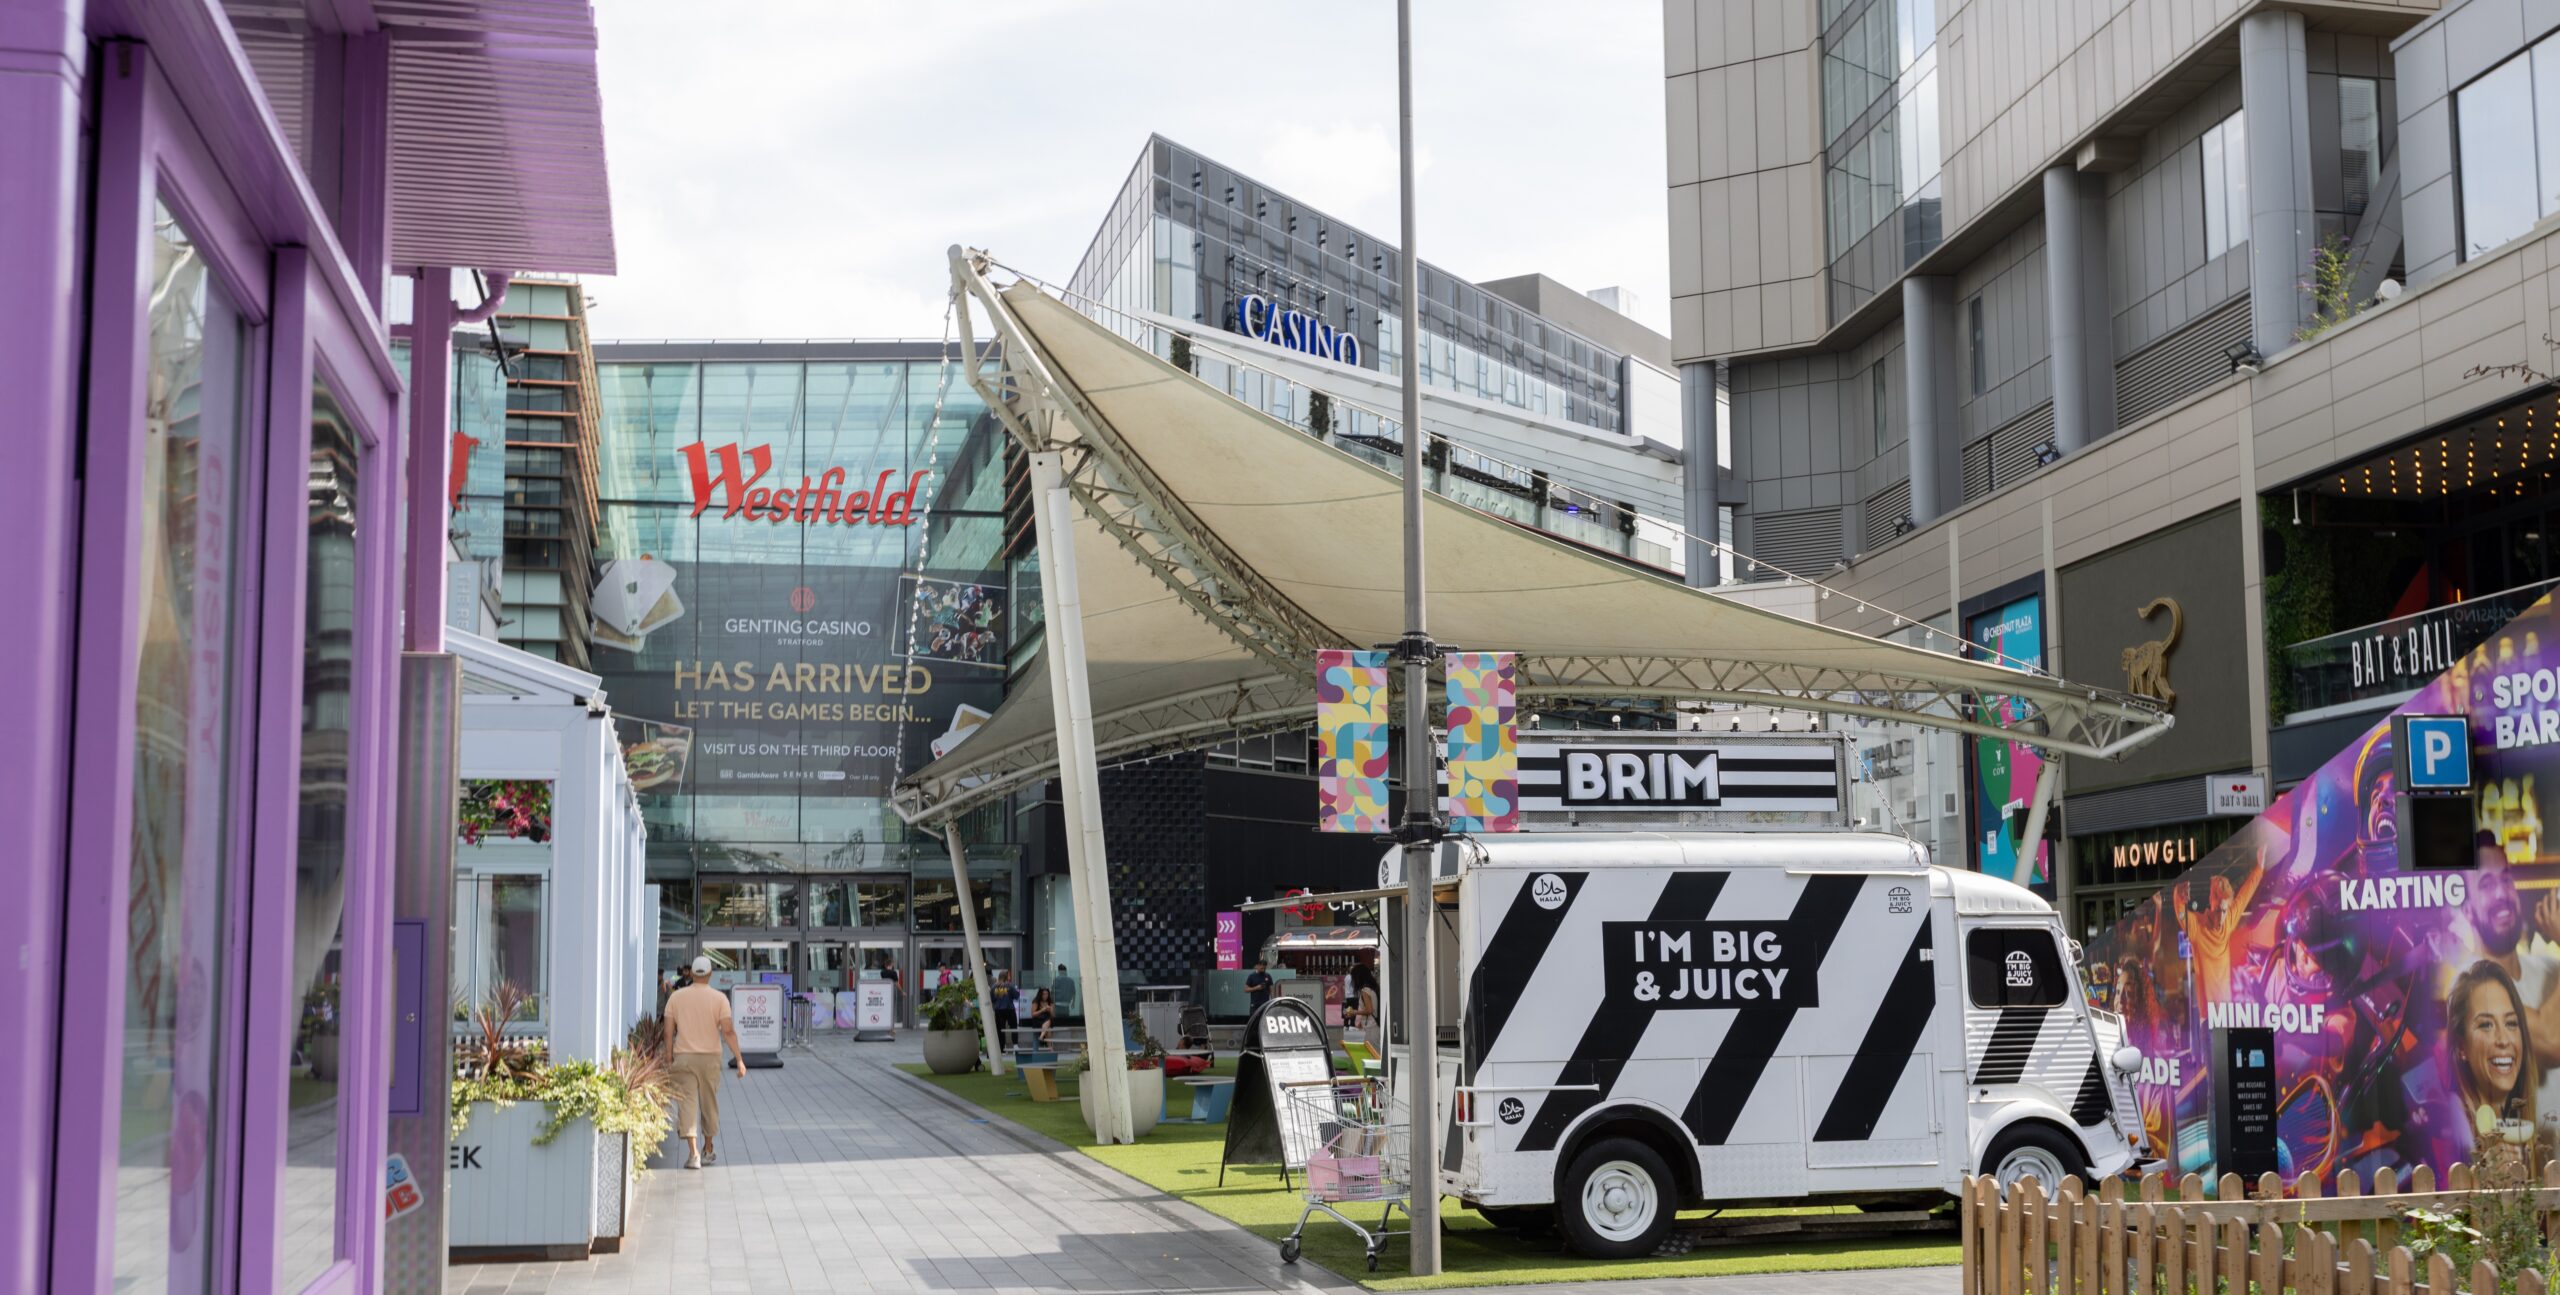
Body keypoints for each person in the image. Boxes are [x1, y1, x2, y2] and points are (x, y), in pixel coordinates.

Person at [2449, 959, 2543, 1169]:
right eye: (2486, 1025)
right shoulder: (2454, 1119)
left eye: (2511, 1023)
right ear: (2462, 1046)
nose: (2503, 1039)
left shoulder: (2519, 1127)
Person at [664, 955, 747, 1170]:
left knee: (687, 1102)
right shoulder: (720, 999)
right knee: (709, 1102)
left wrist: (669, 1058)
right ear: (710, 974)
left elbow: (668, 1032)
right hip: (710, 1057)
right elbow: (728, 1032)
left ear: (691, 974)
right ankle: (708, 1149)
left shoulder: (676, 997)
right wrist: (739, 1059)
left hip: (684, 1057)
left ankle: (693, 1154)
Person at [991, 969, 1020, 1051]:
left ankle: (1002, 1047)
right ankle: (1015, 1045)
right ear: (1006, 977)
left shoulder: (994, 987)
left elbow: (992, 999)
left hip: (998, 1010)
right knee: (1013, 1026)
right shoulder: (1010, 986)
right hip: (1009, 1009)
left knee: (1000, 1029)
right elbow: (1016, 996)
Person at [1349, 967, 1379, 1042]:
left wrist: (1354, 1012)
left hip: (1370, 1027)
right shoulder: (1373, 988)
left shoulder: (1365, 991)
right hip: (1374, 1025)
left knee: (1369, 1048)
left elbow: (1369, 1010)